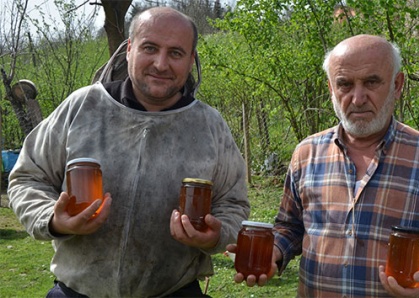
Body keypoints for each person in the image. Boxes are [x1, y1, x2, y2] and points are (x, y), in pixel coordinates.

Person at [8, 7, 250, 297]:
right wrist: (53, 219)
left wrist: (216, 235)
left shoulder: (210, 126)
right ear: (129, 49)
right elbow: (27, 178)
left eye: (176, 53)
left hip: (175, 291)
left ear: (191, 61)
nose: (161, 64)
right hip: (77, 292)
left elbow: (233, 204)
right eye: (150, 48)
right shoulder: (82, 107)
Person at [228, 34, 419, 297]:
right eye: (345, 84)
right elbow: (290, 227)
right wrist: (273, 252)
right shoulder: (307, 153)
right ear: (331, 89)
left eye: (371, 82)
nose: (358, 98)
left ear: (397, 84)